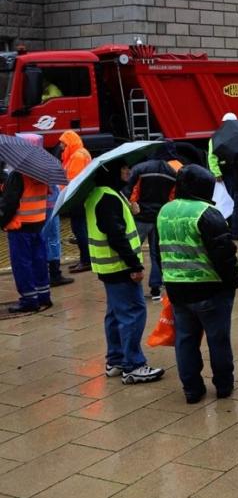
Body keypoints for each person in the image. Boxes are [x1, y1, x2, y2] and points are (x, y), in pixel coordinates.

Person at [157, 165, 238, 403]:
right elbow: (224, 254)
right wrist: (234, 279)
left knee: (185, 339)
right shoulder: (207, 213)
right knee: (218, 338)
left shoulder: (164, 211)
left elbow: (158, 250)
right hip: (210, 289)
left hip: (177, 289)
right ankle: (223, 385)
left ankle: (192, 390)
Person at [85, 159, 165, 384]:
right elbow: (116, 236)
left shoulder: (101, 194)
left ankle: (116, 360)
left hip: (108, 267)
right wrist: (134, 265)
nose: (128, 170)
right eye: (124, 168)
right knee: (132, 313)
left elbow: (115, 225)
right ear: (112, 171)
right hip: (120, 267)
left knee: (115, 314)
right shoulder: (109, 198)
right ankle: (133, 365)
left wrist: (133, 212)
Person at [124, 141, 181, 300]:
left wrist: (131, 204)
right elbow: (172, 197)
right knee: (157, 253)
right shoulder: (172, 172)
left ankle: (130, 281)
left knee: (133, 248)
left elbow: (131, 190)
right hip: (160, 217)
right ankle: (156, 287)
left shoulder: (141, 168)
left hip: (141, 217)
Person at [15, 133, 73, 288]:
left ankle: (43, 275)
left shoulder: (22, 166)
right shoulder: (47, 162)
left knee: (40, 243)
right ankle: (54, 273)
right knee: (52, 240)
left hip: (32, 216)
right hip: (51, 207)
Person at [0, 168, 52, 313]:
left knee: (22, 264)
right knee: (39, 261)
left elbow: (9, 204)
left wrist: (2, 222)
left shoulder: (17, 176)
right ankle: (43, 295)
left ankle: (29, 299)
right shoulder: (42, 173)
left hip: (20, 226)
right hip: (38, 223)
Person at [57, 130, 92, 273]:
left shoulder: (77, 156)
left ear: (69, 142)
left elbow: (72, 181)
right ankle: (85, 259)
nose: (60, 146)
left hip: (76, 198)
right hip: (80, 197)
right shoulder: (79, 153)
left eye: (63, 143)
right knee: (81, 228)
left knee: (79, 229)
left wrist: (62, 196)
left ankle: (86, 260)